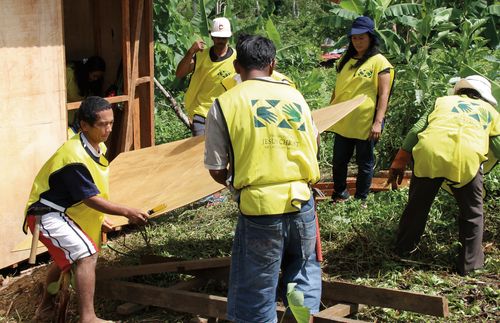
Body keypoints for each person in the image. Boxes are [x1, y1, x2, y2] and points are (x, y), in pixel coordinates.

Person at [204, 34, 322, 323]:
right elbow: (315, 143)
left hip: (260, 210)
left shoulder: (224, 103)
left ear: (236, 66)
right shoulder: (295, 96)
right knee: (302, 274)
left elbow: (216, 167)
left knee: (256, 288)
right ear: (273, 64)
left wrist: (235, 182)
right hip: (302, 202)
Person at [24, 96, 149, 322]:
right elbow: (90, 198)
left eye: (111, 122)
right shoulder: (74, 156)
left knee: (65, 257)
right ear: (84, 125)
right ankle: (88, 317)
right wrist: (126, 211)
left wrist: (99, 219)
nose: (109, 129)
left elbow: (83, 192)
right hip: (45, 214)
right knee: (86, 255)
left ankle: (45, 307)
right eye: (102, 124)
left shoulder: (95, 146)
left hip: (62, 211)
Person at [388, 75, 500, 275]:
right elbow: (498, 145)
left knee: (417, 205)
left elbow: (416, 130)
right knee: (472, 213)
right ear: (483, 97)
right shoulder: (491, 111)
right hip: (466, 157)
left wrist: (399, 161)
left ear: (459, 91)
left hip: (429, 153)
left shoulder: (442, 102)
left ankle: (402, 250)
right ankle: (470, 265)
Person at [328, 16, 394, 203]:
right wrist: (330, 114)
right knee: (339, 161)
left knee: (364, 164)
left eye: (361, 38)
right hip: (343, 121)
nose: (357, 42)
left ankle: (361, 199)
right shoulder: (346, 59)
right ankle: (340, 193)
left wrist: (378, 122)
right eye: (354, 38)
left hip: (365, 123)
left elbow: (384, 95)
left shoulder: (379, 62)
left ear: (371, 37)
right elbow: (338, 88)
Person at [176, 17, 236, 136]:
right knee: (200, 150)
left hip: (226, 113)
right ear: (212, 37)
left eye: (224, 37)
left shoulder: (237, 58)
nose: (221, 40)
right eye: (218, 37)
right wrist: (191, 52)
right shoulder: (201, 57)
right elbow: (179, 73)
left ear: (229, 37)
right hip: (202, 113)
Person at [66, 56, 106, 128]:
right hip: (64, 119)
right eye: (94, 76)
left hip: (78, 120)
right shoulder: (69, 74)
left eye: (99, 77)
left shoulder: (93, 83)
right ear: (87, 71)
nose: (96, 79)